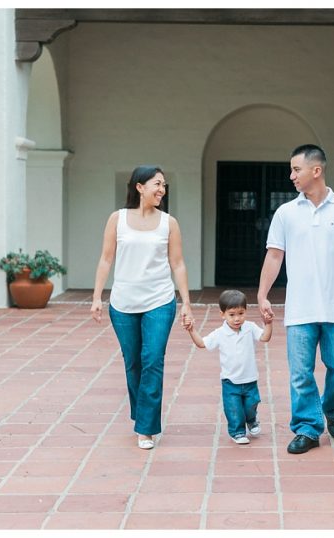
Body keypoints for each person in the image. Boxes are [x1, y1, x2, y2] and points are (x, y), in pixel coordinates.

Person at [257, 144, 334, 454]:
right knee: (300, 374)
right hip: (299, 310)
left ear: (316, 170)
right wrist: (262, 293)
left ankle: (332, 408)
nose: (291, 175)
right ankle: (308, 428)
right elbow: (274, 255)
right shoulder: (286, 213)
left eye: (296, 169)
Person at [90, 165, 193, 450]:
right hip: (123, 303)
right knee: (133, 361)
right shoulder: (117, 219)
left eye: (164, 185)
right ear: (139, 187)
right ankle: (142, 413)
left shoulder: (168, 223)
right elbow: (105, 259)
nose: (162, 189)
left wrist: (186, 302)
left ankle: (146, 427)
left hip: (160, 300)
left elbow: (178, 263)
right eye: (157, 184)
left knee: (152, 359)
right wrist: (97, 296)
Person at [186, 289, 272, 444]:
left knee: (251, 405)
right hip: (230, 381)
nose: (237, 318)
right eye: (232, 314)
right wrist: (192, 330)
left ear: (246, 311)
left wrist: (268, 324)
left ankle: (251, 420)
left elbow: (265, 337)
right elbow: (202, 343)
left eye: (241, 313)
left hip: (250, 379)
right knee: (234, 410)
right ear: (222, 314)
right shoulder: (220, 333)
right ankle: (237, 432)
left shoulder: (250, 327)